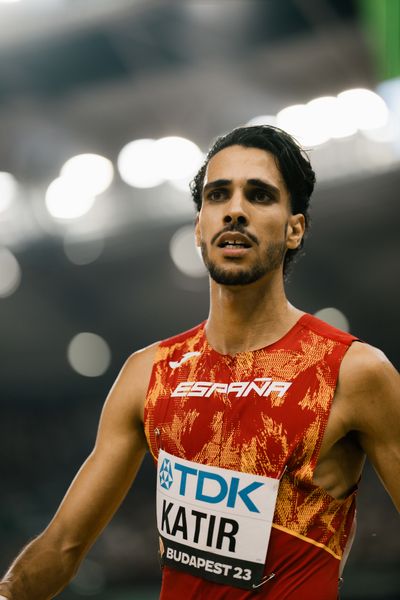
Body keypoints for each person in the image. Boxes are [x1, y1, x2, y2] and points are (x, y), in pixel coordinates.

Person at [0, 125, 399, 600]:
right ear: (199, 225)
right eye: (218, 195)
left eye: (260, 195)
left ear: (294, 229)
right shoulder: (149, 374)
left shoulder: (353, 372)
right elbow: (62, 548)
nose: (235, 210)